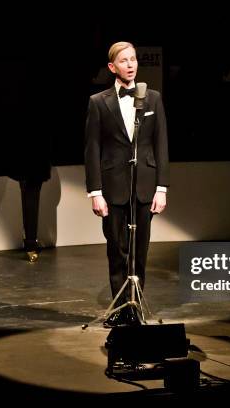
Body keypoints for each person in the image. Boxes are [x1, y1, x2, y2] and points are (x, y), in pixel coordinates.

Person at [84, 41, 169, 327]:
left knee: (140, 249)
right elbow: (92, 149)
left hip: (144, 185)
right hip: (113, 186)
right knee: (117, 247)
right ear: (112, 67)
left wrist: (162, 187)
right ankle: (120, 308)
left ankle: (136, 305)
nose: (131, 64)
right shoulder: (99, 102)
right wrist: (95, 192)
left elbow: (161, 145)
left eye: (133, 59)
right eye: (124, 60)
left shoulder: (153, 99)